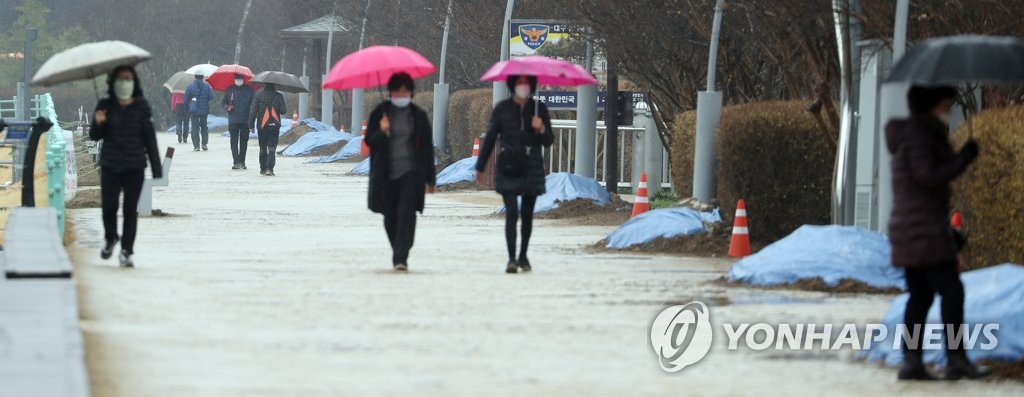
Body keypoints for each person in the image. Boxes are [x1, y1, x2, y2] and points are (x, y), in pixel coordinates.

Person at [885, 85, 989, 381]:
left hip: (912, 227)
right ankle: (956, 359)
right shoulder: (920, 134)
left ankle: (912, 361)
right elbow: (927, 176)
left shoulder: (914, 133)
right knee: (951, 291)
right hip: (924, 230)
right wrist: (963, 159)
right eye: (945, 100)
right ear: (932, 102)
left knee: (920, 296)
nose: (949, 105)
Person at [475, 75, 553, 274]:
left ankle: (523, 255)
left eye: (526, 84)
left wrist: (541, 128)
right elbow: (491, 136)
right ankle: (511, 258)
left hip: (531, 166)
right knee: (511, 213)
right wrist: (480, 165)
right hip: (508, 166)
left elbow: (548, 140)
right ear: (512, 85)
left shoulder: (539, 109)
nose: (523, 87)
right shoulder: (502, 108)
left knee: (527, 215)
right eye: (519, 83)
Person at [89, 65, 162, 268]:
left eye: (128, 78)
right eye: (120, 79)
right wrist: (99, 122)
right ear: (113, 82)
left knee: (130, 210)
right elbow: (94, 136)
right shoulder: (105, 105)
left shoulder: (142, 107)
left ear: (134, 82)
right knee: (109, 207)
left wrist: (157, 168)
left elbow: (150, 139)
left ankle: (127, 251)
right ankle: (111, 237)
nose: (124, 83)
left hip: (134, 166)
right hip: (110, 165)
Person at [365, 72, 436, 271]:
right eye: (397, 91)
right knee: (390, 216)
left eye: (405, 91)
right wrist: (382, 131)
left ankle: (401, 255)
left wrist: (430, 178)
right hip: (385, 175)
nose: (401, 95)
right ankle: (397, 247)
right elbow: (370, 141)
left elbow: (427, 148)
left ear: (411, 93)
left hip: (411, 173)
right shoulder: (380, 113)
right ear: (390, 92)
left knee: (407, 214)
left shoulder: (418, 116)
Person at [248, 82, 286, 176]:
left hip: (262, 125)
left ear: (264, 86)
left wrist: (251, 125)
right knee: (272, 147)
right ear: (274, 86)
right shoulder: (279, 96)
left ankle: (263, 168)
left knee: (263, 148)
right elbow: (283, 111)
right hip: (274, 126)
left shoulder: (258, 96)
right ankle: (270, 168)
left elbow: (253, 111)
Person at [222, 74, 256, 170]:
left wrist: (252, 118)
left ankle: (242, 161)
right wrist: (227, 107)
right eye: (237, 79)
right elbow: (223, 102)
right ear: (234, 80)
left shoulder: (250, 90)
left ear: (243, 80)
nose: (238, 81)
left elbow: (253, 104)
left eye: (240, 79)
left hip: (246, 120)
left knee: (244, 142)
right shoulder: (229, 90)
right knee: (233, 141)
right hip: (233, 120)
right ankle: (236, 162)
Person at [184, 74, 214, 151]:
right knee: (204, 126)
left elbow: (186, 99)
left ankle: (196, 146)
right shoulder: (207, 86)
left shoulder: (190, 86)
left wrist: (186, 109)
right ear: (202, 77)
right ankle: (204, 144)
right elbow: (211, 97)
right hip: (204, 110)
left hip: (194, 111)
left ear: (195, 77)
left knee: (195, 127)